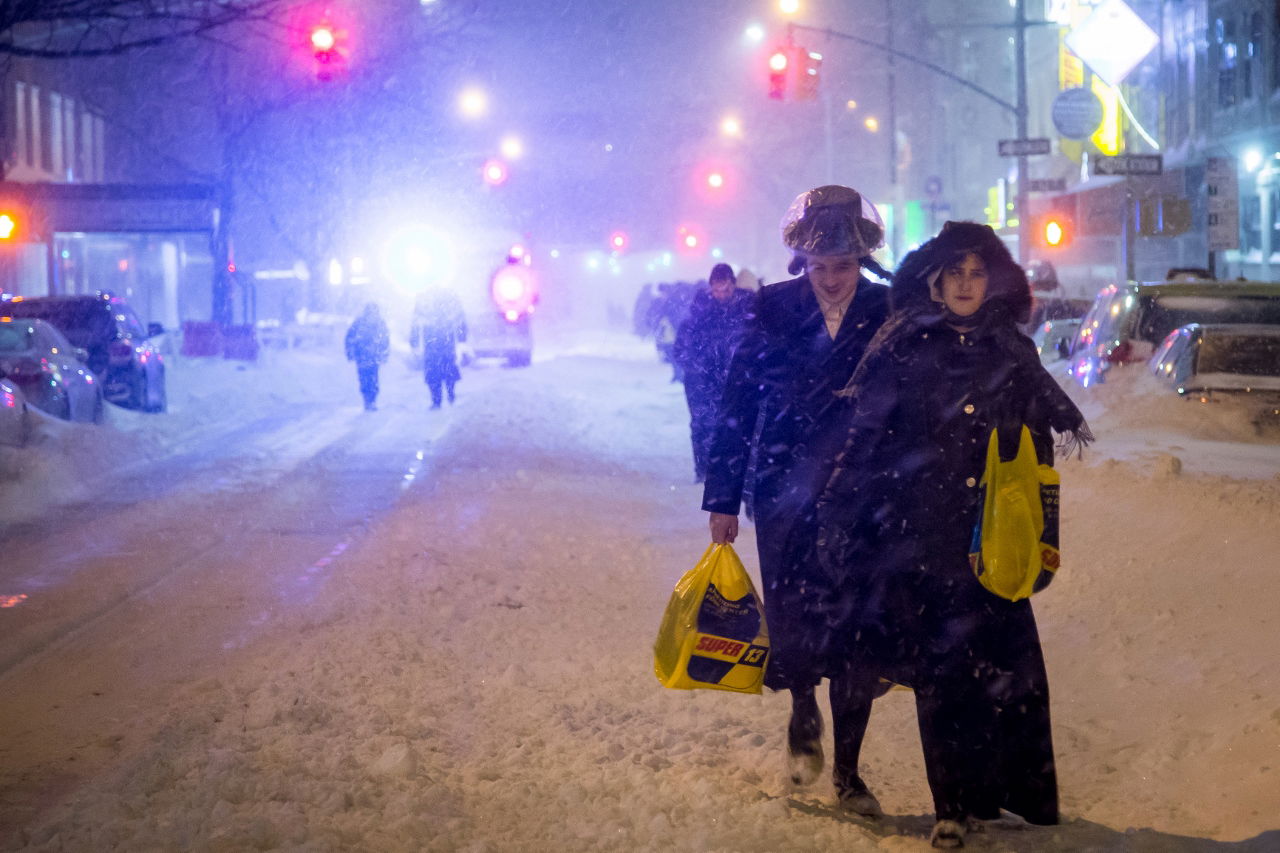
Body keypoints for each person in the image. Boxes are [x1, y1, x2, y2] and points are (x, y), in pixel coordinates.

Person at [813, 221, 1092, 848]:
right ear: (934, 282)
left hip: (994, 539)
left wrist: (1044, 533)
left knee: (1002, 674)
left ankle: (996, 793)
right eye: (955, 274)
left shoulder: (1010, 352)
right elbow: (865, 436)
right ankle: (951, 806)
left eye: (977, 274)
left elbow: (1038, 453)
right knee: (941, 671)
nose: (967, 285)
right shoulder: (903, 345)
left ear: (991, 281)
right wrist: (838, 508)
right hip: (920, 534)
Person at [701, 185, 892, 815]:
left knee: (859, 627)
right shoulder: (772, 310)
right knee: (795, 617)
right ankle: (802, 705)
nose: (832, 280)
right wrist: (722, 499)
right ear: (800, 265)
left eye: (843, 267)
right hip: (784, 495)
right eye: (820, 268)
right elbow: (737, 406)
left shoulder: (889, 310)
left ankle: (850, 771)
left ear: (861, 263)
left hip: (864, 496)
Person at [672, 263, 753, 482]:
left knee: (732, 426)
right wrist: (695, 366)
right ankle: (703, 470)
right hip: (700, 381)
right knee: (701, 425)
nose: (721, 295)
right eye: (717, 290)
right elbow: (681, 348)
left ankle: (728, 471)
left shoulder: (747, 312)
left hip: (733, 380)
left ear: (734, 286)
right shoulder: (699, 315)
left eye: (726, 290)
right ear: (710, 288)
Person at [410, 288, 467, 409]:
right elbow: (460, 320)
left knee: (434, 374)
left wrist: (414, 342)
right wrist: (462, 337)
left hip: (432, 346)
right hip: (445, 345)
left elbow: (415, 323)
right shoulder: (450, 305)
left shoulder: (423, 304)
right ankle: (450, 395)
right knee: (447, 372)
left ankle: (437, 400)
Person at [344, 302, 390, 411]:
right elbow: (385, 340)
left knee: (368, 378)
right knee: (369, 378)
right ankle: (369, 400)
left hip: (367, 356)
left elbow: (385, 340)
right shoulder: (369, 323)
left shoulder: (362, 323)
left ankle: (370, 400)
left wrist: (350, 352)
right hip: (367, 356)